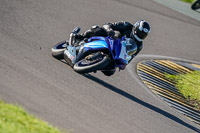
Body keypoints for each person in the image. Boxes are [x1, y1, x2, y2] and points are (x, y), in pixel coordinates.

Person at [65, 20, 151, 76]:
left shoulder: (139, 45)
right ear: (135, 29)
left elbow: (131, 57)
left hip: (116, 54)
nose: (140, 36)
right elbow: (108, 25)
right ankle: (79, 37)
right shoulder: (127, 25)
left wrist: (124, 63)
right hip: (109, 40)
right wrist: (110, 31)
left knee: (110, 72)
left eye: (143, 35)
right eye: (140, 33)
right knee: (98, 29)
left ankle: (92, 62)